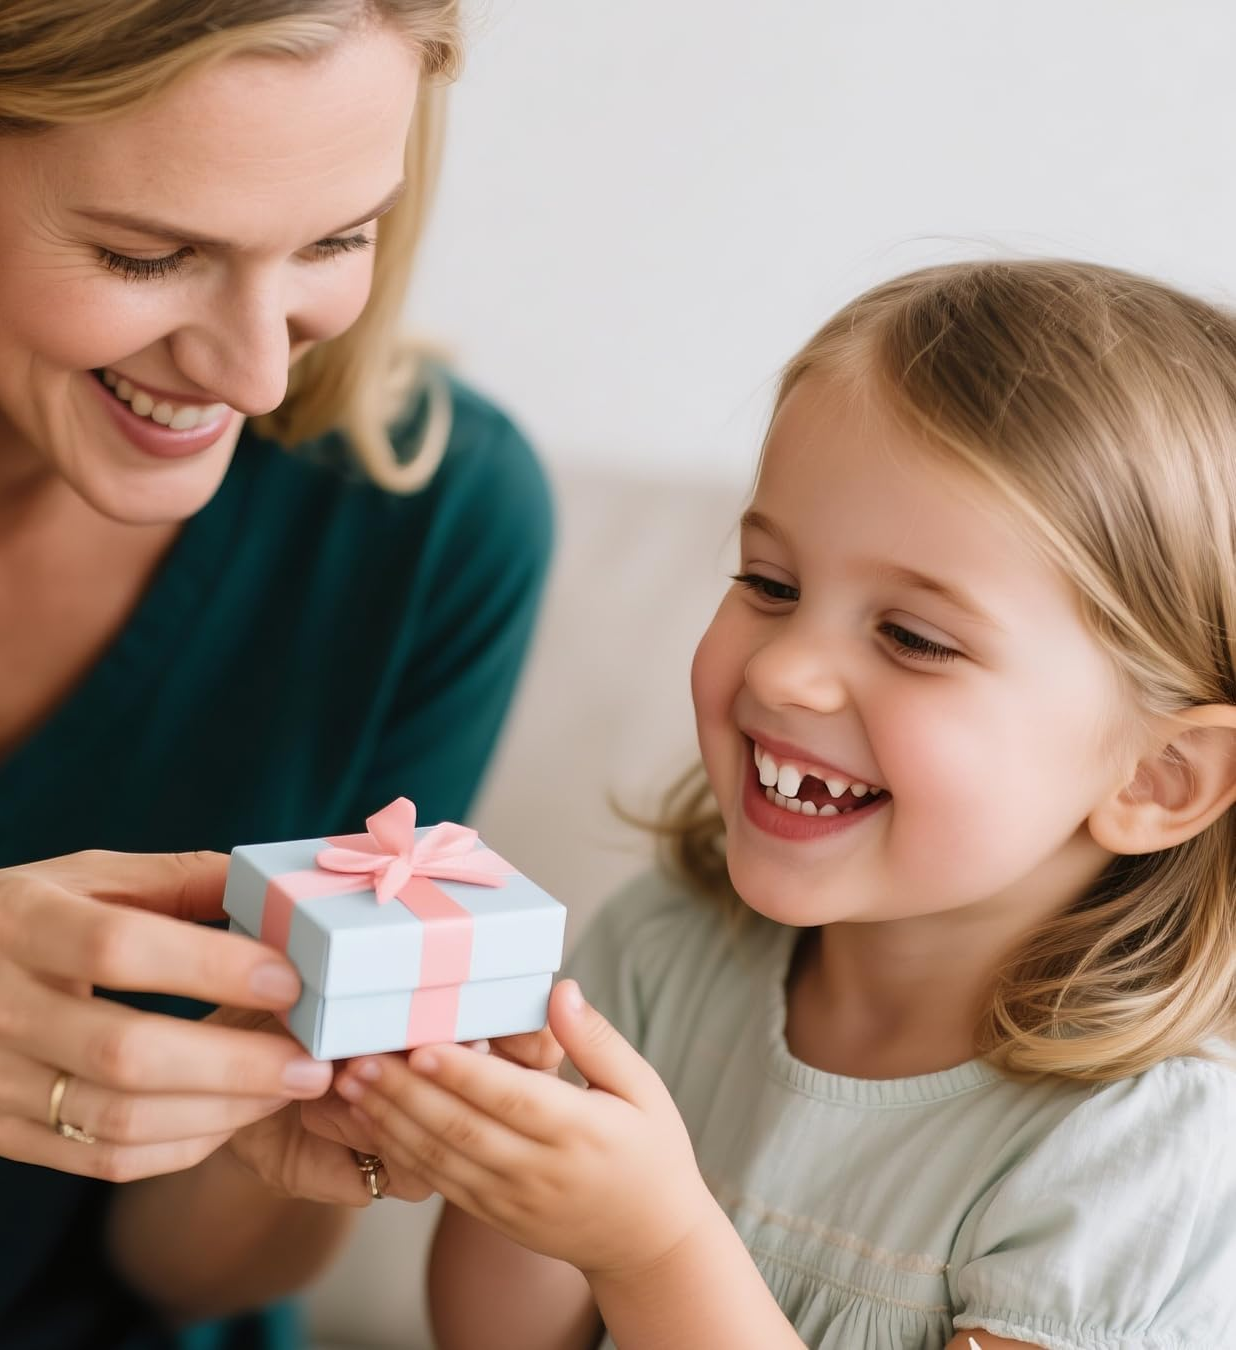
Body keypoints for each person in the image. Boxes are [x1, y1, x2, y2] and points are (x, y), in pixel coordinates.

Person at [330, 260, 1236, 1350]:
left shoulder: (1144, 1151)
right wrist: (503, 1160)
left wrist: (653, 1247)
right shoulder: (667, 953)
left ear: (1156, 779)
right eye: (770, 584)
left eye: (913, 637)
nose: (786, 672)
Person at [0, 1, 554, 1347]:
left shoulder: (416, 522)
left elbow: (189, 1270)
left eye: (334, 239)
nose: (254, 371)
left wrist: (336, 1112)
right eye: (147, 255)